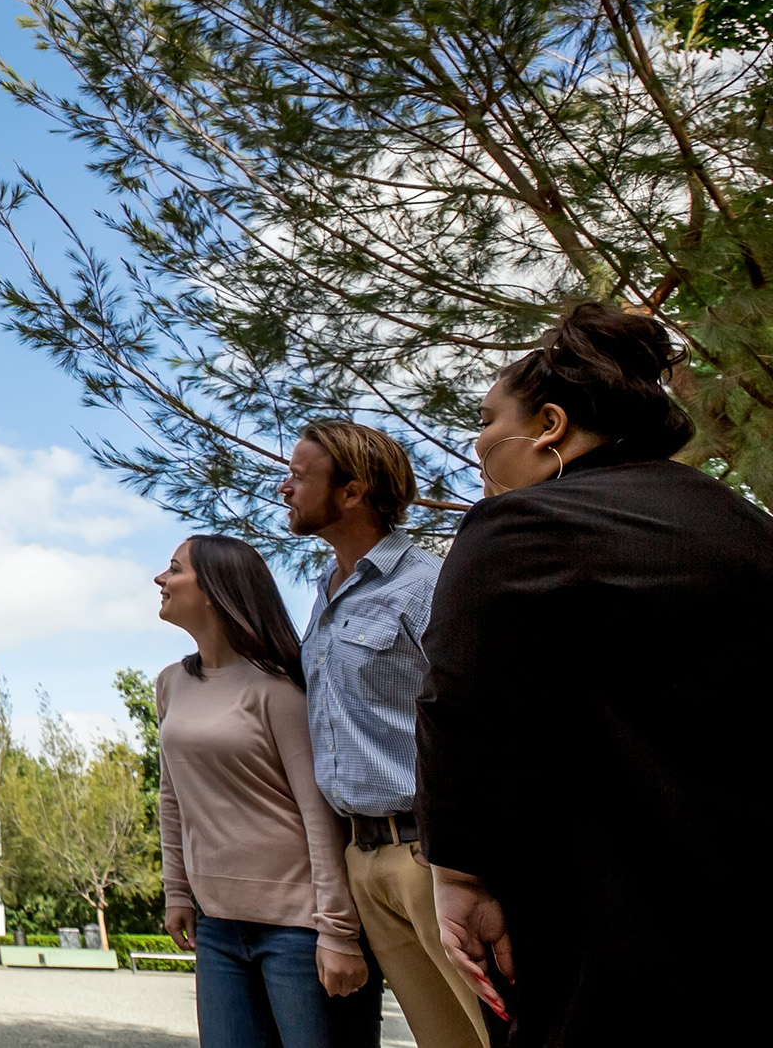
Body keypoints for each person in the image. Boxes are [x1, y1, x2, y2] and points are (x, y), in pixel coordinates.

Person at [417, 303, 766, 1043]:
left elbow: (459, 708)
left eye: (485, 421)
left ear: (548, 425)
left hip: (609, 925)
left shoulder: (515, 529)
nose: (477, 445)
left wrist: (458, 876)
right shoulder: (744, 527)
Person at [282, 422, 488, 1048]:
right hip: (363, 861)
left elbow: (474, 720)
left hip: (432, 856)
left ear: (352, 493)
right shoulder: (325, 595)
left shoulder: (425, 586)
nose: (283, 486)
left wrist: (462, 859)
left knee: (497, 1033)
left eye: (300, 475)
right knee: (441, 1040)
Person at [155, 535, 365, 1048]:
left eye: (174, 568)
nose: (160, 579)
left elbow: (319, 815)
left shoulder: (279, 688)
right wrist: (177, 891)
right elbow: (171, 796)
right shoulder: (170, 684)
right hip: (217, 928)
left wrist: (337, 931)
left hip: (298, 930)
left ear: (216, 589)